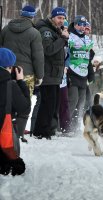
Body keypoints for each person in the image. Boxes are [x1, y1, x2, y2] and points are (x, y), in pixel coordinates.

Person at [0, 5, 44, 142]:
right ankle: (18, 134)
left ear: (21, 14)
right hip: (26, 72)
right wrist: (40, 75)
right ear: (32, 16)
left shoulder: (6, 29)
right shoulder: (34, 33)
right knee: (24, 104)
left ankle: (5, 129)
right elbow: (38, 56)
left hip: (5, 69)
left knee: (5, 101)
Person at [33, 7, 69, 139]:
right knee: (47, 104)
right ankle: (41, 131)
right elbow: (48, 50)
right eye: (59, 18)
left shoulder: (55, 30)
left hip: (55, 74)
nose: (62, 20)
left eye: (63, 18)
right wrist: (63, 39)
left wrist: (62, 37)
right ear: (52, 17)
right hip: (48, 73)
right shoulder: (46, 31)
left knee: (53, 104)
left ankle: (46, 129)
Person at [0, 48, 30, 176]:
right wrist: (21, 82)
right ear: (10, 67)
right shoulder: (9, 85)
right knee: (17, 167)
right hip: (2, 140)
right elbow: (25, 108)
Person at [66, 15, 93, 133]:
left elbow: (89, 55)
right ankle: (64, 126)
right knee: (73, 100)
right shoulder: (70, 36)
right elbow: (68, 51)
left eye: (84, 25)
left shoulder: (86, 39)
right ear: (75, 24)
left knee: (81, 102)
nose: (82, 28)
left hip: (83, 74)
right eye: (79, 25)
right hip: (72, 73)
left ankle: (74, 127)